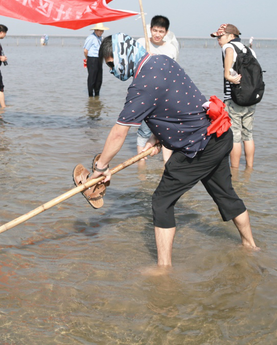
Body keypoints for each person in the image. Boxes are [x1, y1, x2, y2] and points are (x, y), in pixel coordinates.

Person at [85, 33, 257, 268]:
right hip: (219, 135)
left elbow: (119, 132)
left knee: (161, 201)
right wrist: (159, 136)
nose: (113, 71)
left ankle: (164, 270)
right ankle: (251, 246)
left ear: (125, 54)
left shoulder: (142, 84)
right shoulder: (162, 61)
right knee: (225, 193)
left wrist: (100, 168)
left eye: (113, 64)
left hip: (199, 147)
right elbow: (178, 102)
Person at [211, 23, 256, 168]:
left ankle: (235, 171)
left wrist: (228, 76)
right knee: (248, 135)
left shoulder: (228, 47)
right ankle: (249, 168)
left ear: (231, 36)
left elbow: (228, 67)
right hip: (251, 98)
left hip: (234, 99)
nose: (218, 40)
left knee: (235, 137)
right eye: (217, 37)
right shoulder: (249, 50)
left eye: (220, 37)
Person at [136, 15, 180, 164]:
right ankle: (141, 164)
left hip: (165, 95)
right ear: (150, 29)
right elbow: (133, 67)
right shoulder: (141, 43)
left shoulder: (171, 48)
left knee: (166, 129)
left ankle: (166, 165)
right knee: (144, 130)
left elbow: (174, 73)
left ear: (166, 32)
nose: (157, 34)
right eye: (155, 30)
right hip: (145, 93)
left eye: (161, 31)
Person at [83, 23, 109, 97]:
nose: (101, 32)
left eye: (102, 31)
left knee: (99, 78)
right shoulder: (91, 38)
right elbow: (85, 50)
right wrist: (87, 59)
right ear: (95, 30)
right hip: (92, 58)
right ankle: (90, 95)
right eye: (99, 31)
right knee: (92, 77)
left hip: (99, 59)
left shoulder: (101, 38)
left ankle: (97, 94)